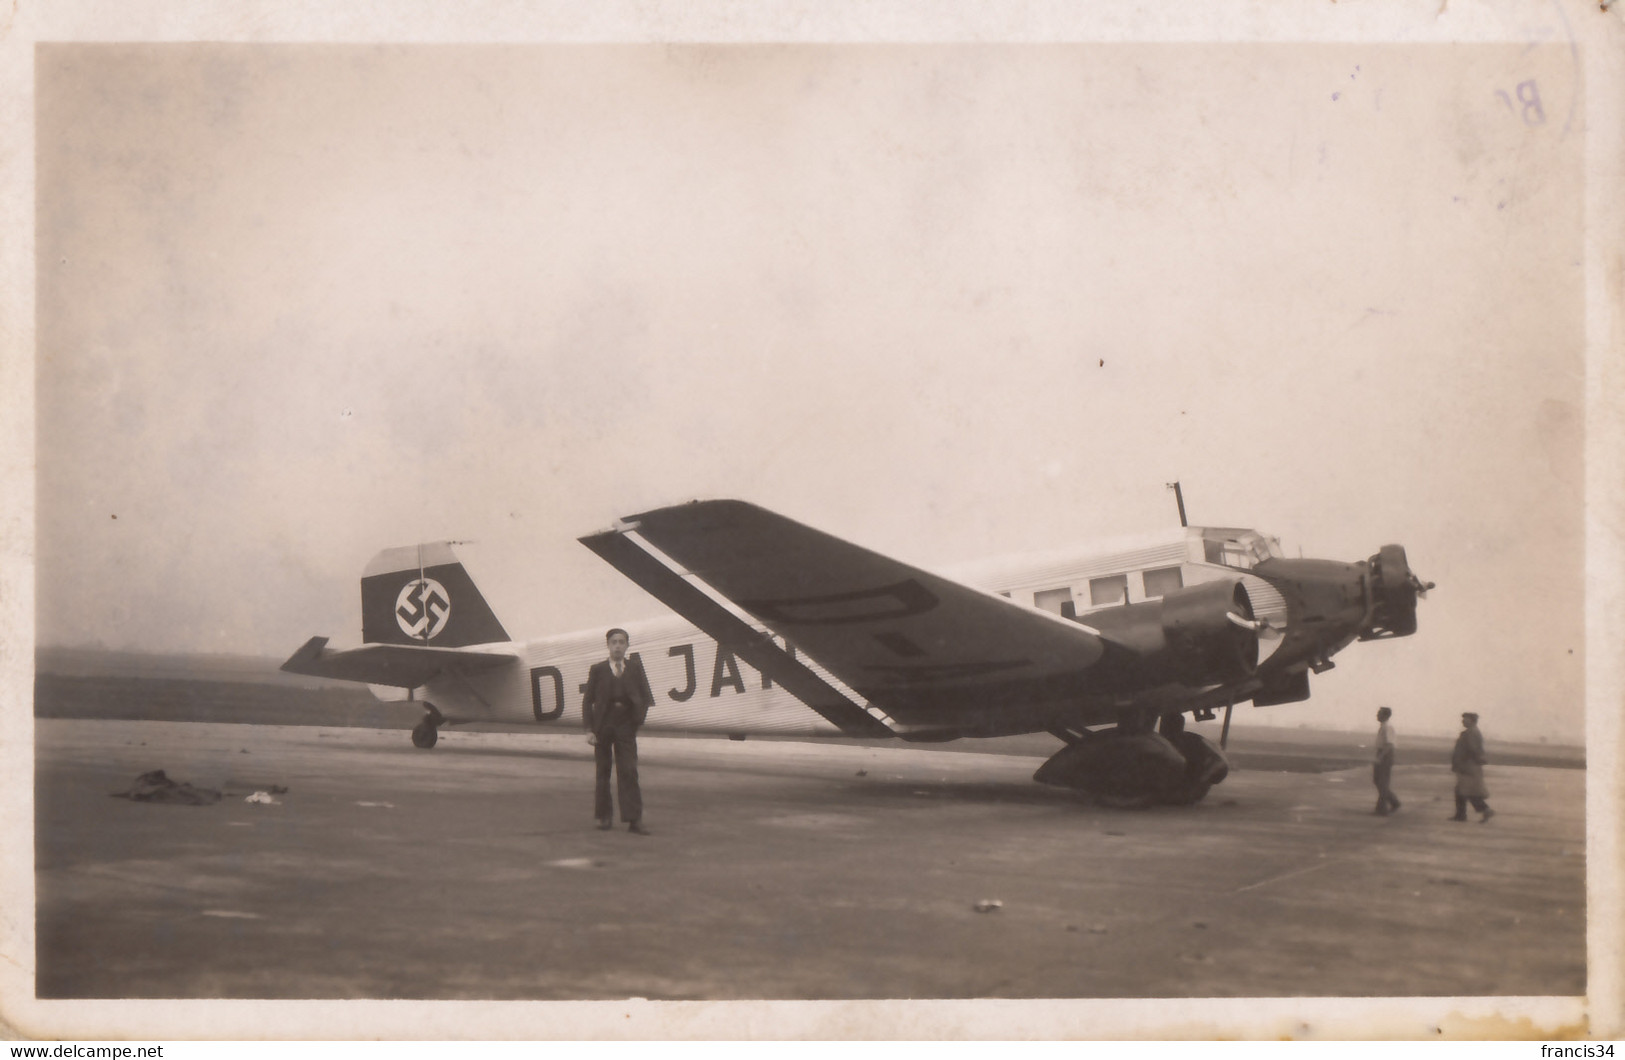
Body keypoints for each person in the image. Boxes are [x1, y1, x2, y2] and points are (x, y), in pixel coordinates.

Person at [583, 628, 655, 835]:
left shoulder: (634, 668)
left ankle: (634, 820)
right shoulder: (597, 669)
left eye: (621, 642)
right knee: (603, 772)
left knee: (629, 771)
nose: (617, 646)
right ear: (608, 645)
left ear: (627, 646)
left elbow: (645, 697)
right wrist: (589, 729)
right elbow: (588, 701)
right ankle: (604, 817)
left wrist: (636, 721)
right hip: (603, 726)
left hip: (625, 725)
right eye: (613, 642)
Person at [1449, 711, 1494, 823]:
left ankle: (1484, 810)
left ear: (1472, 720)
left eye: (1466, 719)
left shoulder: (1471, 733)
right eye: (1463, 719)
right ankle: (1461, 815)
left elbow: (1473, 750)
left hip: (1468, 767)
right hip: (1467, 766)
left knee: (1467, 791)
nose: (1463, 721)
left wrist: (1463, 764)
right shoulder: (1471, 732)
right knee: (1462, 791)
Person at [1372, 706, 1400, 815]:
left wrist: (1380, 757)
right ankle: (1394, 802)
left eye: (1379, 713)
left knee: (1382, 782)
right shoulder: (1383, 727)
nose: (1377, 715)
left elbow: (1389, 745)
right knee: (1378, 781)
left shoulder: (1387, 727)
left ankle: (1382, 809)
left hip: (1385, 755)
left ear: (1385, 715)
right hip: (1382, 753)